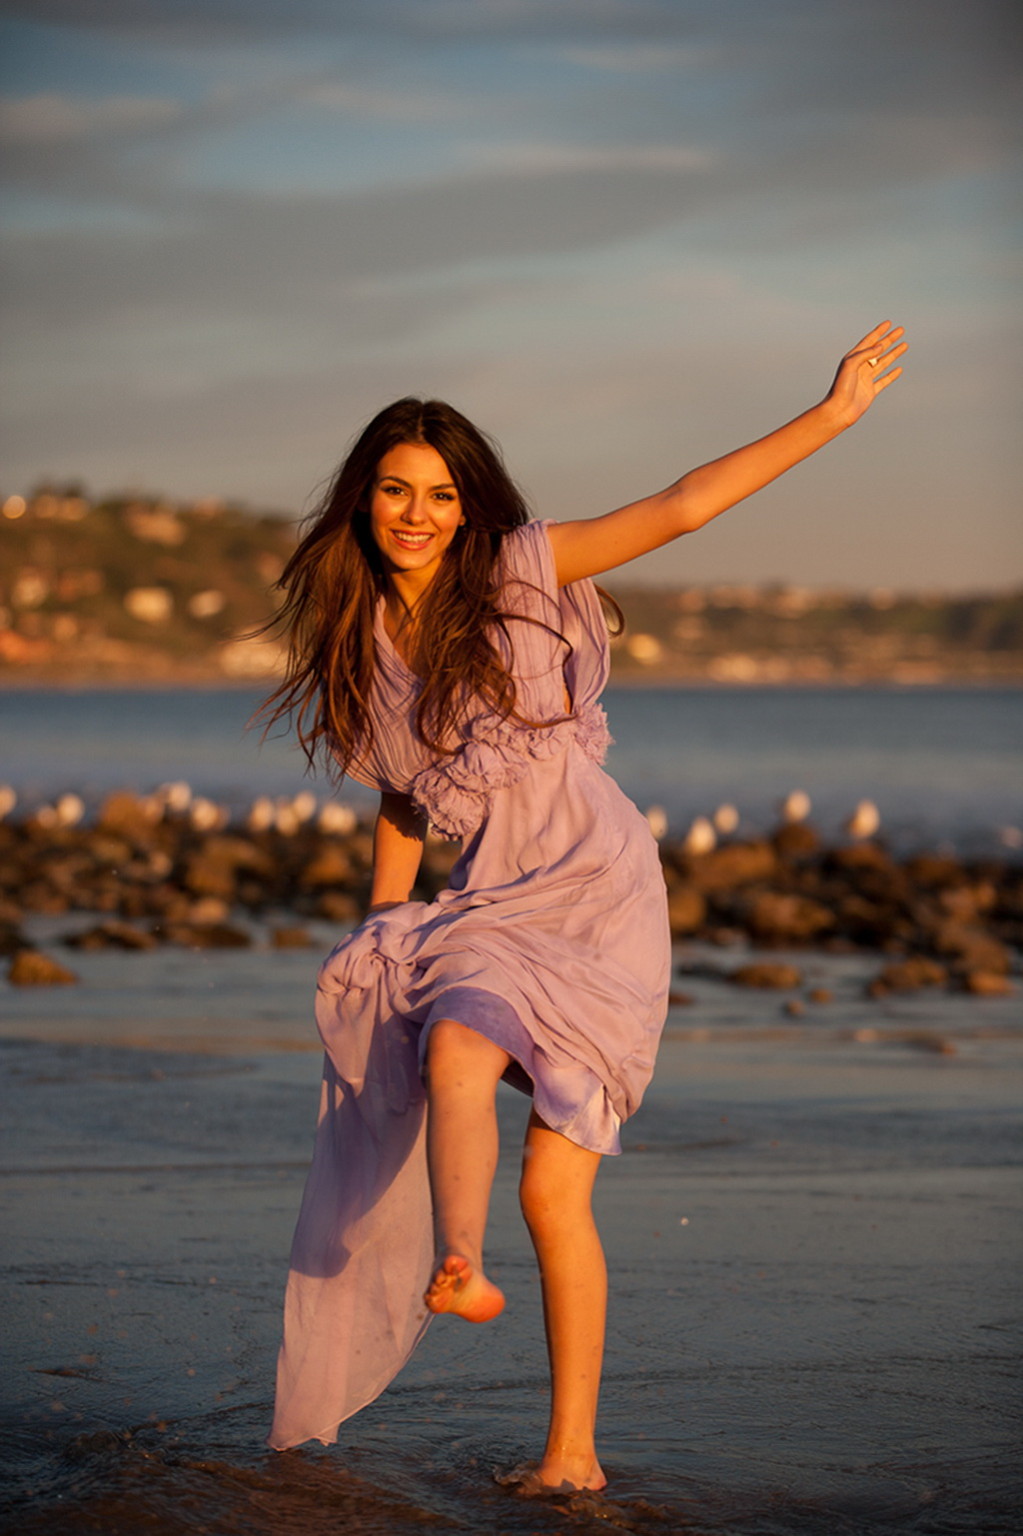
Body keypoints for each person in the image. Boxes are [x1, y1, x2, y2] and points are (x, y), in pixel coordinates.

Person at [262, 321, 907, 1492]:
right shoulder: (361, 648)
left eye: (440, 493)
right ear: (363, 501)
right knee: (455, 1040)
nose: (417, 511)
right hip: (493, 900)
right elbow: (406, 807)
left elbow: (684, 504)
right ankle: (460, 1263)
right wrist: (381, 922)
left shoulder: (520, 566)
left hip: (597, 888)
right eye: (396, 490)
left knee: (556, 1187)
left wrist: (830, 416)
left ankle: (571, 1455)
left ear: (468, 508)